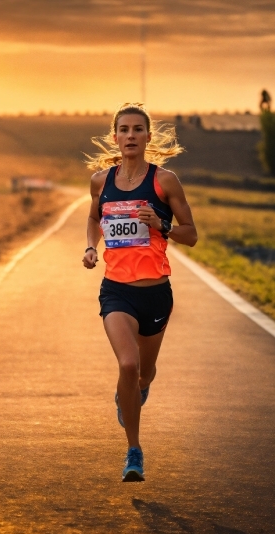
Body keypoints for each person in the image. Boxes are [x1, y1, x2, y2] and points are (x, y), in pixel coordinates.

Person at [82, 103, 197, 482]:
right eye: (124, 130)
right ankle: (134, 451)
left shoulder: (165, 181)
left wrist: (160, 223)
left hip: (156, 295)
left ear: (148, 137)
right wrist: (89, 246)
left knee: (143, 374)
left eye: (137, 129)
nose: (130, 136)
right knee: (127, 365)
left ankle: (137, 390)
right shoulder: (101, 181)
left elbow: (191, 235)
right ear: (115, 137)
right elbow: (94, 217)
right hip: (116, 292)